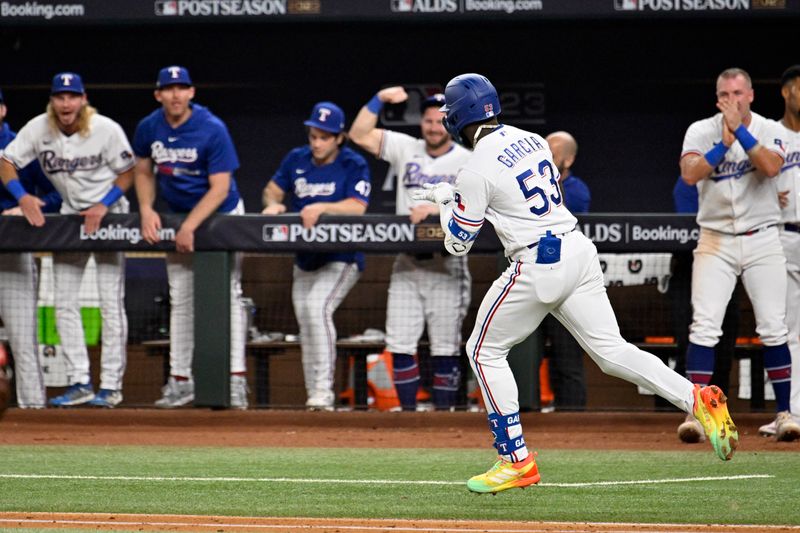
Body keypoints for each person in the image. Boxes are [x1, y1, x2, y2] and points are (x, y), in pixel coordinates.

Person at [413, 73, 737, 494]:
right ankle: (695, 398)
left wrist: (445, 202)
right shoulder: (531, 138)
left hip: (538, 261)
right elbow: (508, 200)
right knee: (611, 351)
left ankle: (515, 459)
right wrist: (454, 196)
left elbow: (458, 242)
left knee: (482, 350)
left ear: (460, 115)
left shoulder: (475, 168)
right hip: (578, 251)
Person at [678, 67, 800, 443]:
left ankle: (785, 413)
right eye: (726, 95)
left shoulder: (770, 129)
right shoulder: (701, 130)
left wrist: (741, 133)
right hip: (716, 240)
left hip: (763, 238)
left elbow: (770, 166)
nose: (733, 100)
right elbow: (689, 173)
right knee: (705, 326)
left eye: (739, 94)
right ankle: (697, 414)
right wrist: (723, 141)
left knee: (773, 326)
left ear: (751, 96)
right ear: (718, 99)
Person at [0, 73, 134, 408]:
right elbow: (6, 162)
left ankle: (111, 386)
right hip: (72, 216)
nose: (66, 103)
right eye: (60, 96)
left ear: (83, 99)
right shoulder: (38, 128)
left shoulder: (105, 128)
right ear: (53, 101)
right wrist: (22, 196)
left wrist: (104, 203)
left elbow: (128, 172)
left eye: (72, 96)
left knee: (109, 302)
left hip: (109, 214)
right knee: (64, 303)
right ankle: (80, 381)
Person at [133, 66, 248, 409]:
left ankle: (236, 379)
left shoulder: (212, 128)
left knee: (229, 295)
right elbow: (142, 168)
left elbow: (220, 188)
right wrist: (146, 208)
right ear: (158, 95)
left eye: (182, 88)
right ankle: (180, 381)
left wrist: (189, 227)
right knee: (181, 298)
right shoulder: (149, 126)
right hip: (181, 216)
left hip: (222, 215)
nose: (175, 95)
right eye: (168, 89)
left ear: (192, 92)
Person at [350, 88, 471, 411]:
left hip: (448, 264)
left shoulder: (468, 159)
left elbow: (478, 207)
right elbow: (358, 133)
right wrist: (377, 98)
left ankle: (443, 421)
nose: (434, 127)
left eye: (441, 121)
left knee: (445, 347)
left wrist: (436, 209)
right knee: (400, 344)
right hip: (406, 262)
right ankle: (407, 420)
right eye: (429, 120)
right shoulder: (407, 148)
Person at [262, 101, 371, 411]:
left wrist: (321, 207)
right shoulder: (296, 159)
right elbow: (272, 189)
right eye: (314, 136)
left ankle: (323, 392)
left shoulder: (353, 163)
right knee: (306, 323)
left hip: (342, 256)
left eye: (325, 136)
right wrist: (274, 203)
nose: (318, 143)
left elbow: (357, 206)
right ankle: (315, 396)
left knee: (315, 309)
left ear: (339, 137)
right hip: (305, 258)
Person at [0, 87, 61, 409]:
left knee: (24, 340)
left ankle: (33, 412)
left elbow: (58, 193)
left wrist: (29, 206)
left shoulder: (21, 144)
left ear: (3, 110)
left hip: (13, 253)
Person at [760, 65, 800, 437]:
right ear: (787, 92)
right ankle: (791, 413)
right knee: (787, 327)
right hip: (785, 235)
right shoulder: (772, 133)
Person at [540, 131, 589, 410]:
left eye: (553, 154)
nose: (545, 158)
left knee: (567, 356)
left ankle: (574, 422)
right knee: (528, 354)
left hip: (566, 281)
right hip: (535, 276)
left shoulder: (577, 189)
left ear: (568, 160)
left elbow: (557, 214)